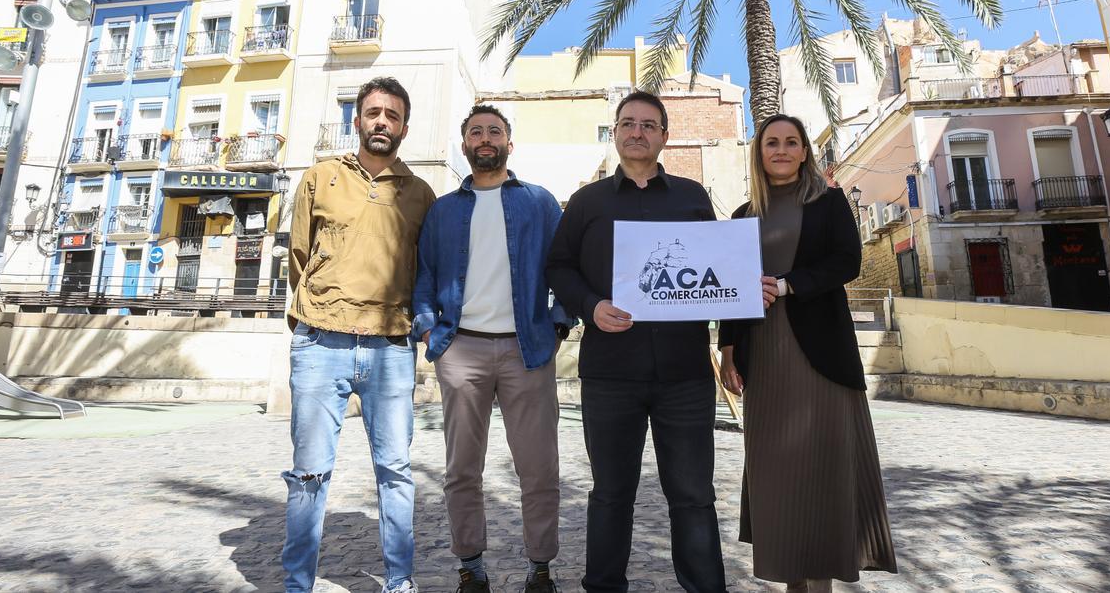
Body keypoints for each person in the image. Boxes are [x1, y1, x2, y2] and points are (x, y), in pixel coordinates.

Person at [547, 91, 775, 592]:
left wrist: (746, 286)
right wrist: (590, 305)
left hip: (685, 375)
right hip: (609, 372)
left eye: (649, 125)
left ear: (664, 137)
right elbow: (559, 266)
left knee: (693, 495)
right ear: (616, 133)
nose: (637, 132)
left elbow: (719, 267)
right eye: (628, 123)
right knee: (610, 493)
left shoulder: (693, 198)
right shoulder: (588, 202)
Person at [718, 114, 898, 592]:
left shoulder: (829, 202)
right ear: (758, 153)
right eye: (771, 142)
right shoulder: (741, 217)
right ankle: (790, 583)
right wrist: (728, 350)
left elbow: (848, 261)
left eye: (791, 142)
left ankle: (822, 584)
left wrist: (788, 284)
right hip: (764, 355)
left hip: (822, 354)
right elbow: (733, 288)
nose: (781, 149)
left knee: (824, 468)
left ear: (804, 152)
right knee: (776, 474)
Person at [283, 76, 436, 593]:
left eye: (392, 116)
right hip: (320, 342)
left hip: (391, 347)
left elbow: (426, 270)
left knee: (395, 470)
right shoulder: (319, 179)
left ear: (404, 128)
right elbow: (299, 257)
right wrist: (316, 313)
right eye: (373, 113)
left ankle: (399, 581)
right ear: (357, 120)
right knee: (309, 472)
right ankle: (297, 584)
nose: (381, 123)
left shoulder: (421, 195)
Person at [412, 104, 569, 593]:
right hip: (462, 351)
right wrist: (425, 326)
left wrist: (560, 323)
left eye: (494, 131)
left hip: (530, 351)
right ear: (464, 146)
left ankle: (540, 569)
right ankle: (470, 567)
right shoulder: (443, 210)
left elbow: (566, 266)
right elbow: (424, 275)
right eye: (475, 132)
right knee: (462, 468)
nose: (485, 139)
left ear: (508, 143)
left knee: (539, 469)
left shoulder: (541, 203)